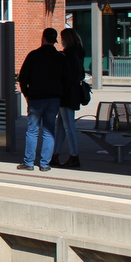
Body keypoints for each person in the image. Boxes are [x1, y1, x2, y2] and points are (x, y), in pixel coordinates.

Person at [17, 28, 70, 171]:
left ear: (43, 38)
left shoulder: (33, 55)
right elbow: (66, 80)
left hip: (35, 98)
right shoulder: (60, 58)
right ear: (55, 40)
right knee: (49, 131)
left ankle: (29, 163)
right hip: (53, 99)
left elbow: (22, 78)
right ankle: (45, 164)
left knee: (32, 130)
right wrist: (60, 94)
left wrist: (26, 94)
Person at [51, 28, 85, 167]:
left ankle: (74, 155)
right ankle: (55, 154)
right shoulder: (79, 52)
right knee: (61, 125)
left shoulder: (68, 55)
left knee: (68, 125)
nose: (61, 41)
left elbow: (65, 76)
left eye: (63, 38)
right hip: (74, 92)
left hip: (66, 93)